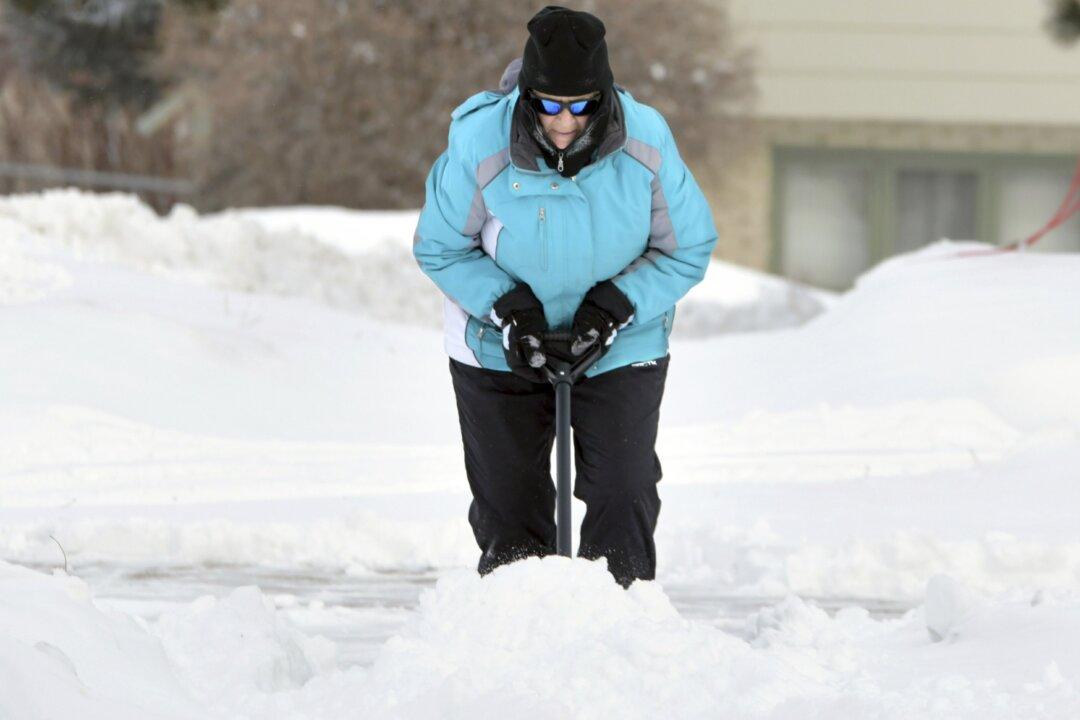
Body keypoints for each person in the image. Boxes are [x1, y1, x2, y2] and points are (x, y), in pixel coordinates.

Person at [412, 5, 718, 588]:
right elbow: (439, 247)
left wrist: (615, 308)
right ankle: (518, 633)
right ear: (527, 96)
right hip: (496, 343)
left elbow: (687, 246)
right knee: (509, 504)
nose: (564, 121)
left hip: (620, 342)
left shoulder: (645, 141)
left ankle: (622, 620)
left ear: (602, 98)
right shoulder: (480, 142)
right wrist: (508, 309)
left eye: (581, 106)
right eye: (549, 104)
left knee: (621, 489)